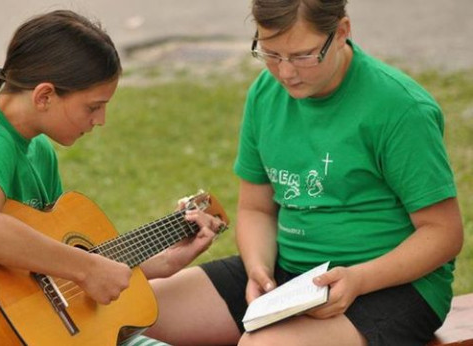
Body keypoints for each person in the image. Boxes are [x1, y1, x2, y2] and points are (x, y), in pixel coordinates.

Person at [145, 0, 464, 345]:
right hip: (290, 279)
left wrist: (357, 279)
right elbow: (256, 208)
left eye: (303, 56)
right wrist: (258, 271)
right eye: (270, 53)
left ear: (342, 32)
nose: (286, 73)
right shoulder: (266, 95)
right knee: (133, 309)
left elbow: (443, 234)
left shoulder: (400, 108)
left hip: (392, 287)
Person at [0, 10, 224, 345]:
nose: (101, 119)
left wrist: (157, 262)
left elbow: (52, 278)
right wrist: (88, 268)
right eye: (93, 107)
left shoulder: (39, 151)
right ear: (44, 96)